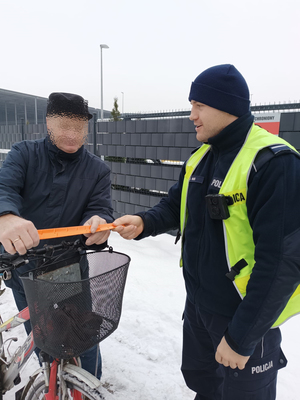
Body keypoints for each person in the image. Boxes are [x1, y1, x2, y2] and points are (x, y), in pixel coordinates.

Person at [113, 64, 300, 399]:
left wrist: (241, 338)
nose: (191, 115)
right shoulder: (201, 157)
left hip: (244, 318)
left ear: (225, 106)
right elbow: (175, 206)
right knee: (204, 385)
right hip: (200, 309)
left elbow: (282, 264)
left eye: (199, 105)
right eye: (191, 105)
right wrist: (144, 223)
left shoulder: (274, 164)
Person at [0, 92, 114, 380]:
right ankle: (51, 382)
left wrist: (98, 223)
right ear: (48, 122)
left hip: (71, 269)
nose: (72, 134)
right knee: (43, 340)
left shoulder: (97, 169)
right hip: (23, 266)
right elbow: (5, 188)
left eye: (79, 127)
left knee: (84, 338)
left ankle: (86, 386)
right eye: (64, 125)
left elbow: (100, 208)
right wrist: (7, 216)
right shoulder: (23, 154)